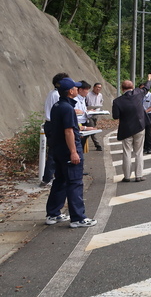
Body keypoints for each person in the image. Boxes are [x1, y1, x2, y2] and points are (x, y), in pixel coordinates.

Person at [44, 78, 97, 228]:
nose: (77, 89)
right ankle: (78, 218)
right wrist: (73, 152)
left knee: (60, 181)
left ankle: (53, 214)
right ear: (70, 91)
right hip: (68, 150)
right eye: (75, 88)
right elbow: (68, 131)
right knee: (74, 182)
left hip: (58, 150)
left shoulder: (57, 106)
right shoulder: (67, 109)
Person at [112, 73, 151, 182]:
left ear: (122, 88)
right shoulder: (138, 93)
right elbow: (147, 87)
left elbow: (115, 116)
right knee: (138, 152)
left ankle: (126, 176)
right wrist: (149, 78)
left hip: (126, 129)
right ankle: (138, 175)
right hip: (139, 127)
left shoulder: (117, 101)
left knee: (126, 152)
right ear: (132, 87)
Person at [40, 72, 69, 188]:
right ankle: (46, 179)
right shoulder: (57, 96)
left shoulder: (52, 93)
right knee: (53, 152)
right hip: (54, 124)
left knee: (54, 151)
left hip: (50, 124)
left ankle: (50, 177)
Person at [140, 82, 151, 155]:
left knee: (148, 132)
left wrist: (145, 112)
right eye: (141, 88)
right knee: (140, 132)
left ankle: (149, 147)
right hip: (140, 115)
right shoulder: (139, 96)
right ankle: (143, 147)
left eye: (143, 88)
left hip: (148, 115)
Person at [85, 82, 104, 151]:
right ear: (94, 87)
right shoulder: (88, 95)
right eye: (97, 87)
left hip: (96, 114)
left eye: (100, 87)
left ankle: (83, 143)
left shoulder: (100, 95)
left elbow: (101, 103)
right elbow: (85, 104)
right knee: (92, 129)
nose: (98, 89)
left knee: (90, 129)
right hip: (89, 114)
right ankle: (97, 145)